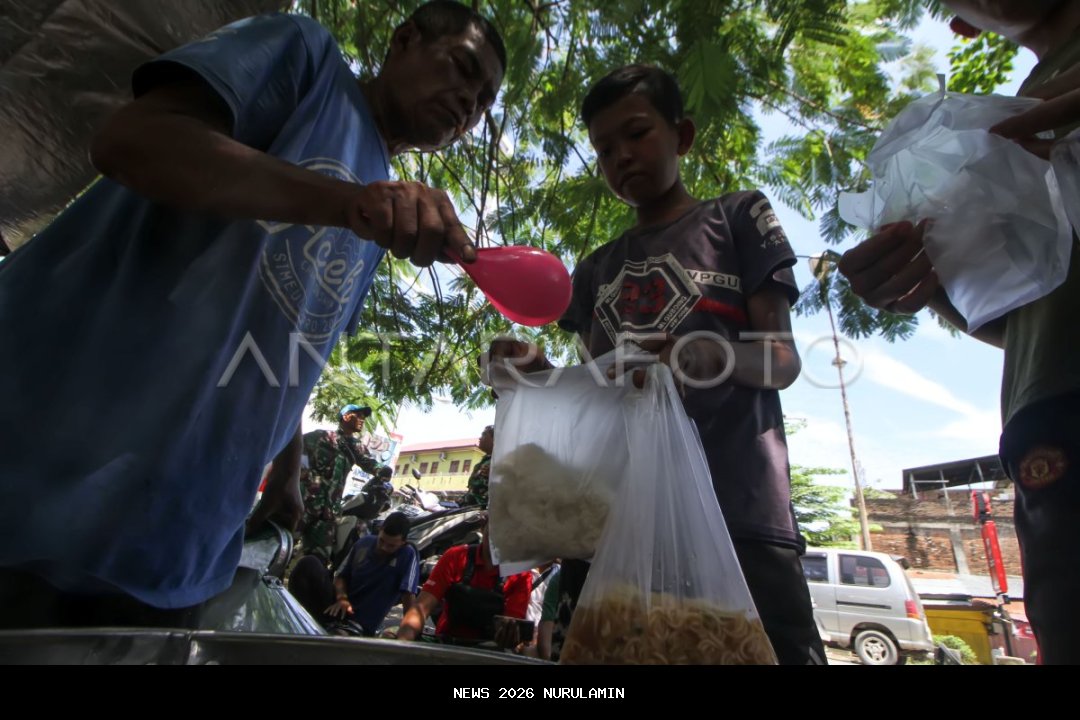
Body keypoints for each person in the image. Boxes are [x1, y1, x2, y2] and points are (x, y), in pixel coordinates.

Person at [0, 1, 506, 628]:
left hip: (178, 551)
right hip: (41, 479)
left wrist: (288, 471)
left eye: (483, 101)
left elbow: (292, 346)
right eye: (462, 68)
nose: (468, 103)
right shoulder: (306, 58)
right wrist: (351, 203)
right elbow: (132, 140)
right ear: (403, 41)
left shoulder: (385, 207)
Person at [488, 64, 825, 664]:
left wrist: (712, 354)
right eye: (604, 148)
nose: (621, 156)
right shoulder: (594, 270)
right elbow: (600, 397)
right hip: (615, 528)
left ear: (683, 135)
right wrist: (536, 374)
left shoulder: (737, 218)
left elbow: (782, 359)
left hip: (736, 511)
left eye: (637, 133)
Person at [837, 0, 1080, 664]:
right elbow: (1031, 313)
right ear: (962, 23)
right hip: (1048, 419)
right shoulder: (1014, 113)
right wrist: (928, 284)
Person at [393, 526, 531, 645]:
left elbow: (512, 624)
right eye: (495, 529)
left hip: (490, 652)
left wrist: (509, 635)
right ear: (484, 527)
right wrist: (403, 641)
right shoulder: (455, 557)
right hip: (447, 645)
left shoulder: (521, 574)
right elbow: (420, 609)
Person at [288, 512, 418, 636]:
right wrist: (342, 598)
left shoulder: (408, 554)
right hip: (338, 608)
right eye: (381, 541)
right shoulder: (364, 543)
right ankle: (294, 616)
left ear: (402, 543)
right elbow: (341, 576)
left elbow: (408, 595)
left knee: (338, 639)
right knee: (309, 563)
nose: (383, 547)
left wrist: (406, 633)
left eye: (391, 546)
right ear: (379, 531)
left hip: (360, 623)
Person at [294, 404, 378, 561]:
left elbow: (370, 463)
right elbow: (297, 449)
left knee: (318, 559)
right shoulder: (320, 437)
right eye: (358, 416)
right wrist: (304, 475)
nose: (362, 420)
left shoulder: (356, 446)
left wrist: (382, 471)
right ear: (346, 416)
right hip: (305, 505)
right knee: (283, 544)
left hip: (328, 513)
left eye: (364, 418)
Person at [459, 424, 494, 508]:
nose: (480, 438)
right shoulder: (484, 461)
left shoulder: (498, 462)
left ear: (494, 439)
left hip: (482, 511)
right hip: (467, 507)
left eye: (484, 435)